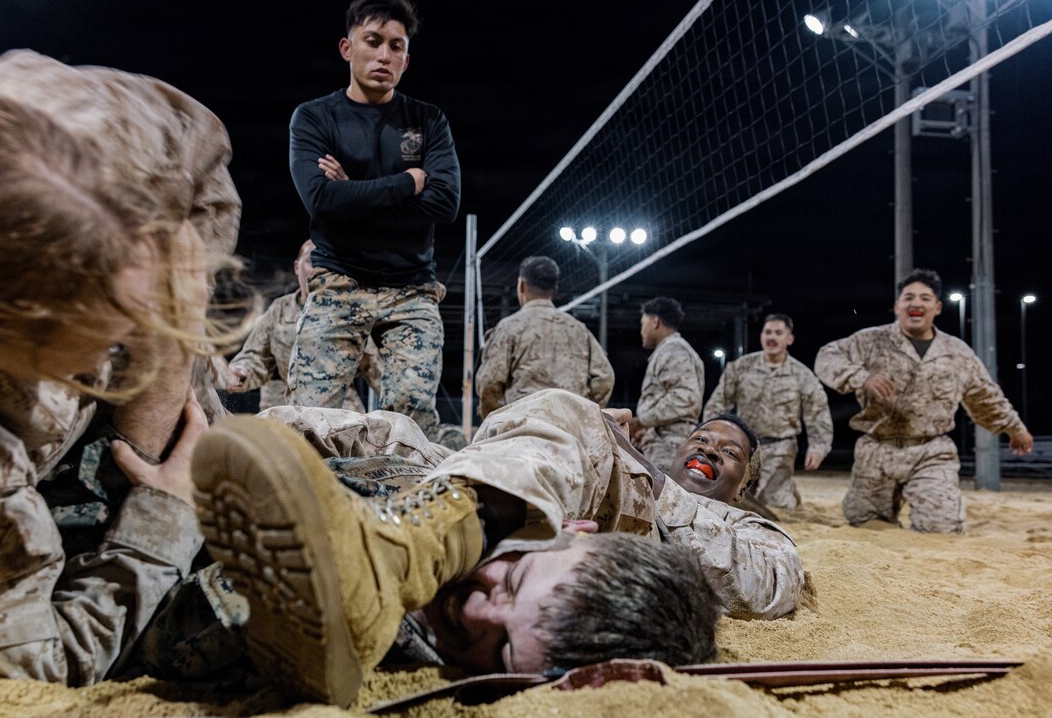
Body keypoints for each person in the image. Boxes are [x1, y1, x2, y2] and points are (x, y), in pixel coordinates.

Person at [192, 389, 805, 706]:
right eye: (701, 439)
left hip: (588, 541)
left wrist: (645, 481)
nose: (709, 449)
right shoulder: (612, 463)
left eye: (729, 453)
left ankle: (401, 549)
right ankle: (204, 429)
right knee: (390, 437)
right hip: (520, 493)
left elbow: (773, 579)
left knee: (573, 418)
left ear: (746, 481)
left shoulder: (742, 523)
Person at [0, 59, 245, 686]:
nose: (108, 359)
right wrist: (164, 512)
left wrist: (168, 346)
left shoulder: (86, 125)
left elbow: (194, 150)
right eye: (96, 349)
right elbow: (45, 663)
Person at [287, 0, 461, 436]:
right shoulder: (314, 118)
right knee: (308, 420)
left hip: (412, 289)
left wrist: (351, 191)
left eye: (396, 46)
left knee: (409, 421)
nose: (384, 55)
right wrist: (406, 182)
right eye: (373, 41)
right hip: (339, 279)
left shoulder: (428, 120)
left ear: (406, 60)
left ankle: (398, 482)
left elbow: (444, 204)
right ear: (347, 48)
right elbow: (320, 201)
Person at [815, 269, 1034, 533]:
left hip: (931, 452)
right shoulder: (870, 340)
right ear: (897, 306)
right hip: (876, 451)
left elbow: (986, 397)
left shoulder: (957, 352)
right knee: (865, 524)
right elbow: (827, 357)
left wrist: (1015, 428)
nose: (916, 303)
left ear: (937, 307)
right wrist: (861, 377)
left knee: (941, 529)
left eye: (925, 298)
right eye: (908, 298)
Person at [224, 240, 381, 411]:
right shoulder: (280, 309)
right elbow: (255, 357)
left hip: (339, 413)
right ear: (297, 267)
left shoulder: (347, 313)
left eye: (325, 263)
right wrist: (239, 373)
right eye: (311, 261)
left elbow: (376, 368)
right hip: (289, 409)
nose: (317, 270)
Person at [703, 314, 833, 508]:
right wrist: (711, 435)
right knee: (733, 499)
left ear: (789, 339)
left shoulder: (802, 376)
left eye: (778, 333)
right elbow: (718, 403)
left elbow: (818, 413)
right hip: (744, 446)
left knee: (774, 504)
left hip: (780, 448)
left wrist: (818, 447)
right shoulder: (740, 367)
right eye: (768, 332)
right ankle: (779, 487)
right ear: (762, 336)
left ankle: (783, 488)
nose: (772, 337)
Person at [475, 256, 614, 418]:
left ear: (521, 285)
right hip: (569, 424)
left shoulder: (508, 328)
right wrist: (582, 413)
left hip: (524, 424)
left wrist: (500, 418)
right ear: (555, 290)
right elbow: (605, 378)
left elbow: (489, 382)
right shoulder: (579, 330)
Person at [631, 296, 706, 469]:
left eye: (643, 324)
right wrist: (647, 429)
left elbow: (685, 397)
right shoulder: (669, 350)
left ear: (655, 322)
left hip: (670, 446)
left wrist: (643, 420)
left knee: (664, 488)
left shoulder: (674, 350)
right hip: (664, 442)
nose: (641, 330)